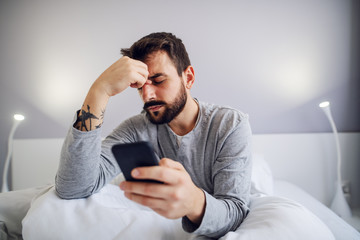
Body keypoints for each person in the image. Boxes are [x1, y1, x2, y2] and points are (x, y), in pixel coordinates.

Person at [55, 32, 252, 238]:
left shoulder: (230, 125)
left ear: (189, 78)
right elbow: (72, 188)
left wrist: (193, 202)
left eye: (158, 80)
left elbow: (236, 212)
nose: (147, 95)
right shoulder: (135, 128)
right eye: (140, 86)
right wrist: (99, 91)